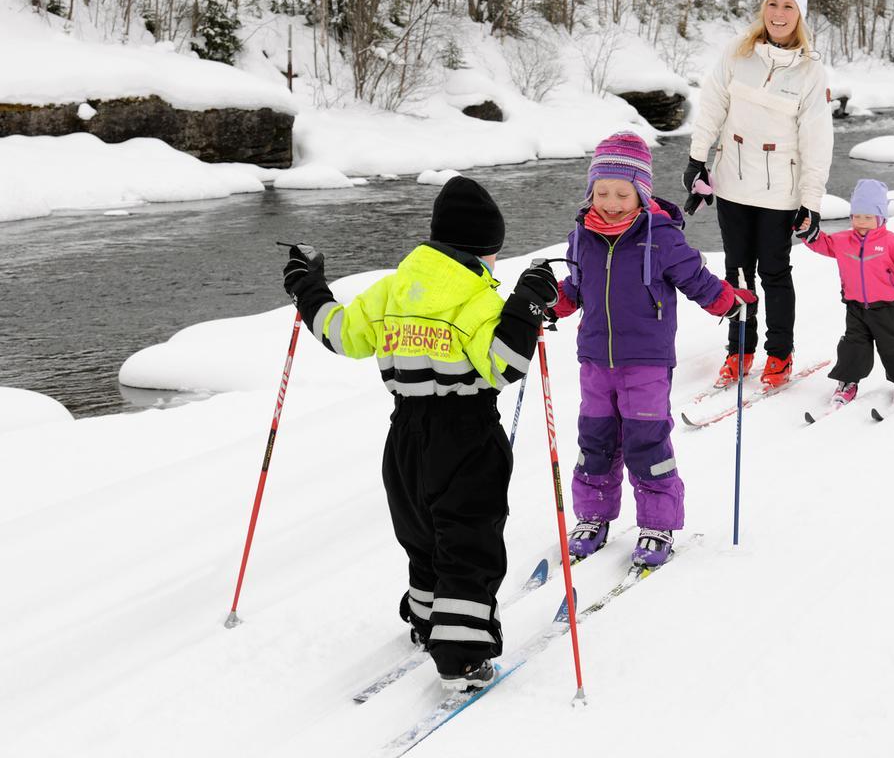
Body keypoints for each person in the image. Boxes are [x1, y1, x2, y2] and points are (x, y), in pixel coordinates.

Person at [281, 177, 558, 692]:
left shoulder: (392, 290)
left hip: (406, 433)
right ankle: (461, 653)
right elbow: (506, 364)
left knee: (423, 532)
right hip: (468, 433)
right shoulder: (477, 301)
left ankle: (428, 619)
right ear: (482, 251)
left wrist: (307, 286)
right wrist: (528, 305)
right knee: (467, 537)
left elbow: (339, 333)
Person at [548, 131, 756, 567]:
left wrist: (726, 301)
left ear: (641, 192)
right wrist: (550, 302)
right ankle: (593, 516)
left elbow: (695, 278)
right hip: (595, 360)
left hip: (646, 361)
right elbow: (575, 289)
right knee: (596, 439)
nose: (610, 201)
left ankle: (657, 523)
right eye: (602, 192)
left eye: (622, 193)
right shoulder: (581, 236)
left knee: (647, 441)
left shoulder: (660, 235)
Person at [682, 0, 834, 390]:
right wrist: (697, 159)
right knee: (737, 270)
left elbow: (817, 140)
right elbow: (713, 104)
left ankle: (780, 355)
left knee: (773, 272)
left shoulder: (811, 71)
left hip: (778, 191)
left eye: (788, 6)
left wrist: (811, 202)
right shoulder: (738, 51)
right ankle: (739, 351)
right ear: (762, 8)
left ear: (799, 14)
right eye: (772, 4)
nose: (779, 14)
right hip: (732, 182)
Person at [799, 178, 894, 405]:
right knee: (853, 346)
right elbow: (825, 245)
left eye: (868, 217)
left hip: (887, 306)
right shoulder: (843, 240)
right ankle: (847, 382)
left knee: (892, 345)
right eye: (856, 216)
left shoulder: (890, 242)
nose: (861, 222)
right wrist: (809, 234)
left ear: (880, 218)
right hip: (855, 305)